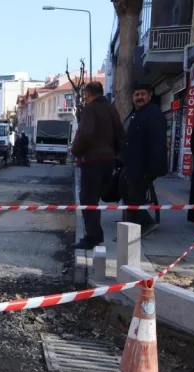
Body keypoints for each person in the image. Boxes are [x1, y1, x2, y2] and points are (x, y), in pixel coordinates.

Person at [70, 81, 125, 250]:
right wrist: (114, 154)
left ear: (87, 94)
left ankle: (92, 237)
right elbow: (120, 134)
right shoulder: (112, 110)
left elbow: (86, 134)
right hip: (108, 160)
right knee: (96, 197)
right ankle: (95, 234)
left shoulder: (90, 109)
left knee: (88, 199)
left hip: (92, 161)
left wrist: (76, 151)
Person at [121, 84, 168, 236]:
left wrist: (151, 169)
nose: (139, 98)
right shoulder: (137, 113)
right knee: (127, 191)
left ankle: (144, 224)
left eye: (142, 94)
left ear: (149, 95)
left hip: (144, 165)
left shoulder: (153, 114)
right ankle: (132, 223)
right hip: (133, 163)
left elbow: (157, 143)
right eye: (136, 95)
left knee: (134, 195)